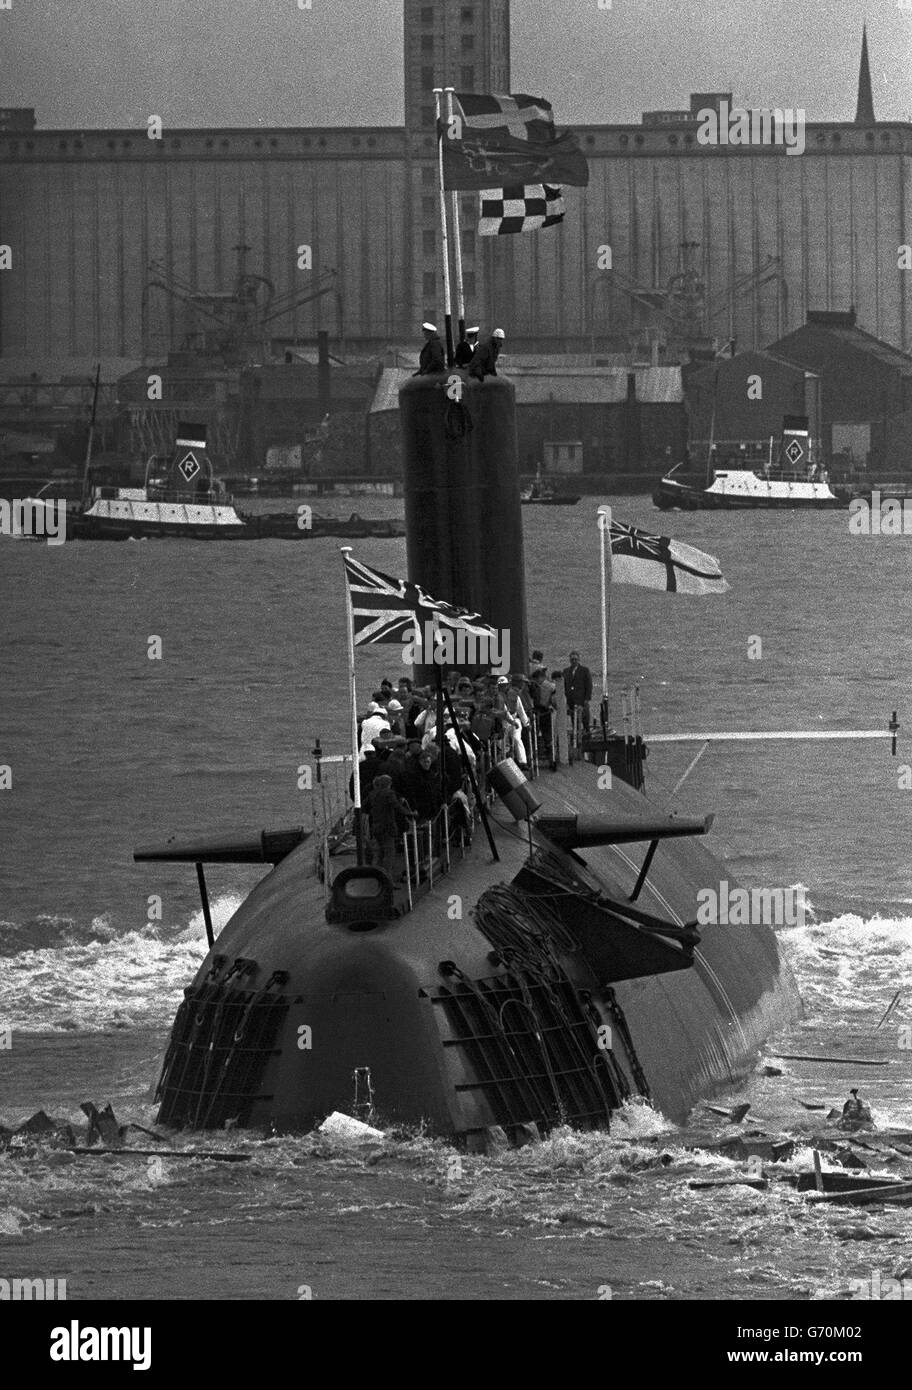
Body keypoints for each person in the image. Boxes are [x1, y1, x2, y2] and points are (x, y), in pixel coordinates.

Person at [364, 774, 415, 869]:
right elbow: (396, 806)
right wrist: (410, 813)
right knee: (389, 853)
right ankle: (387, 878)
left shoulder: (372, 794)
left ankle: (379, 875)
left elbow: (364, 807)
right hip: (387, 827)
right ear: (389, 784)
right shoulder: (389, 793)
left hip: (376, 827)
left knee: (380, 853)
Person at [563, 650, 592, 734]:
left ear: (579, 660)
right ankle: (576, 736)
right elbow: (564, 686)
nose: (574, 661)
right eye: (572, 660)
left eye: (575, 659)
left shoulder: (584, 670)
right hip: (571, 701)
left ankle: (587, 734)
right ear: (570, 660)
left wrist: (587, 699)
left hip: (582, 700)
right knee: (574, 722)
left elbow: (589, 685)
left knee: (585, 720)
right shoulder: (566, 671)